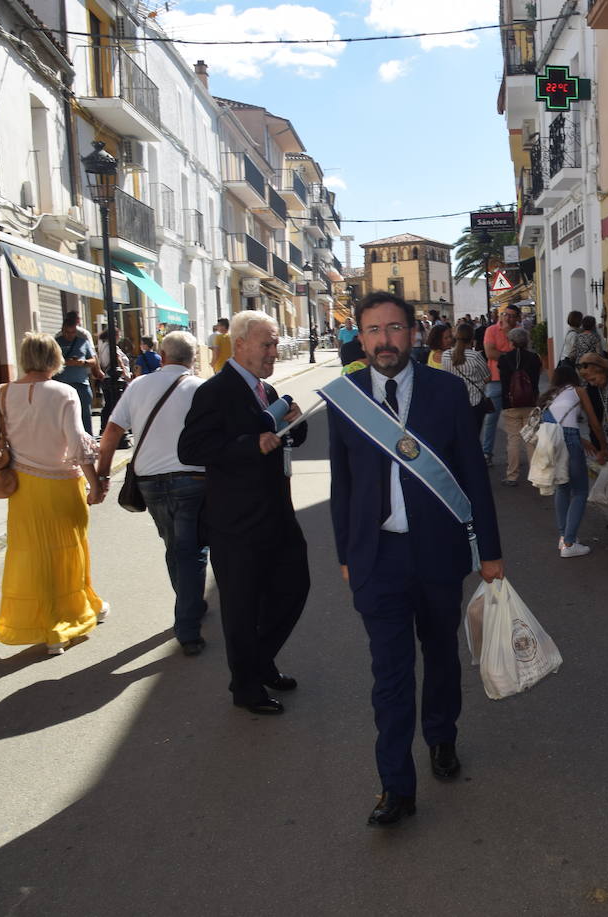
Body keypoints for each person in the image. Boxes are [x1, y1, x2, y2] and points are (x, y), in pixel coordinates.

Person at [325, 291, 504, 827]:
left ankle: (442, 737)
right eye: (374, 330)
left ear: (414, 334)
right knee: (391, 674)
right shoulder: (345, 397)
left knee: (442, 655)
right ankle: (395, 787)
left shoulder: (448, 392)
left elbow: (474, 475)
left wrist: (489, 551)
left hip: (437, 553)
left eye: (395, 329)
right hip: (376, 557)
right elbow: (343, 483)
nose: (385, 340)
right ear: (360, 338)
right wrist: (344, 552)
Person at [178, 310, 310, 715]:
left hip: (276, 514)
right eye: (267, 344)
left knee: (293, 587)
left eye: (275, 343)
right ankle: (247, 687)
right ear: (240, 344)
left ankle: (259, 660)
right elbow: (191, 449)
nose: (274, 351)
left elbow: (288, 439)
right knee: (241, 606)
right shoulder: (215, 391)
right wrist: (248, 445)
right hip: (235, 522)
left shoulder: (267, 390)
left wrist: (296, 422)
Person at [0, 333, 107, 654]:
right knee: (68, 551)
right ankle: (69, 616)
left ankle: (46, 624)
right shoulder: (65, 392)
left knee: (34, 555)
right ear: (54, 358)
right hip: (62, 485)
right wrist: (96, 483)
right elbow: (76, 445)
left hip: (23, 488)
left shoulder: (4, 393)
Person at [94, 331, 208, 656]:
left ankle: (189, 605)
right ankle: (188, 624)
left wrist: (102, 473)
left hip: (149, 481)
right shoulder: (200, 388)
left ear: (161, 354)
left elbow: (113, 430)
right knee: (191, 549)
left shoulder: (138, 385)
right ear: (192, 357)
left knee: (176, 546)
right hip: (191, 479)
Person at [539, 363, 607, 557]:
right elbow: (594, 423)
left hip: (550, 441)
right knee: (579, 491)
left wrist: (582, 440)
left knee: (562, 487)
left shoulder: (550, 395)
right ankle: (569, 543)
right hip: (569, 440)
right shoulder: (578, 391)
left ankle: (564, 538)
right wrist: (603, 447)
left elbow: (557, 424)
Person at [497, 326, 543, 486]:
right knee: (530, 439)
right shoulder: (534, 358)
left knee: (514, 439)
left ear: (511, 342)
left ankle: (512, 475)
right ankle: (535, 475)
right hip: (530, 403)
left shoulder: (504, 359)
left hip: (510, 404)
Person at [481, 304, 520, 464]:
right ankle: (487, 452)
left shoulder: (519, 332)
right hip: (496, 380)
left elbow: (521, 355)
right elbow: (490, 353)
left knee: (516, 419)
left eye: (511, 315)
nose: (508, 318)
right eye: (505, 314)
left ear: (517, 317)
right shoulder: (491, 330)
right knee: (491, 418)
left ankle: (513, 454)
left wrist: (504, 355)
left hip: (514, 381)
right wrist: (510, 357)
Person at [443, 322, 491, 434]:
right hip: (474, 401)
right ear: (472, 338)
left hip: (454, 401)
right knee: (474, 435)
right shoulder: (475, 356)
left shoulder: (446, 355)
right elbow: (488, 378)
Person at [53, 311, 96, 435]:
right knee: (64, 417)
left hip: (81, 384)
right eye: (67, 332)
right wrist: (65, 362)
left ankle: (88, 442)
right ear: (63, 330)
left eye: (73, 332)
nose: (70, 336)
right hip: (62, 385)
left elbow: (93, 360)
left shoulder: (83, 341)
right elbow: (50, 362)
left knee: (85, 416)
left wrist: (82, 363)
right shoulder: (56, 342)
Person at [577, 352, 608, 455]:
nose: (593, 383)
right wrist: (601, 448)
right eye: (589, 381)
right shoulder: (592, 389)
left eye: (593, 379)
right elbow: (594, 422)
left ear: (601, 370)